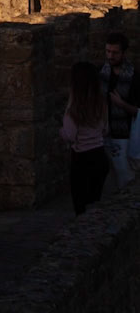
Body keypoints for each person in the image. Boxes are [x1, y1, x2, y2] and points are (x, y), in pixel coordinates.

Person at [61, 59, 109, 213]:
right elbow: (105, 129)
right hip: (100, 156)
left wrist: (60, 131)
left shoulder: (74, 110)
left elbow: (70, 135)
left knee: (81, 207)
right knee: (95, 203)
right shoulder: (101, 104)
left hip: (82, 159)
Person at [99, 31, 137, 189]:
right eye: (108, 51)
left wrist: (121, 104)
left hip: (124, 136)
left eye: (115, 52)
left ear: (123, 53)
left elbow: (137, 111)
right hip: (102, 134)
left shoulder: (134, 77)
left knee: (125, 179)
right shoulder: (101, 73)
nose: (110, 56)